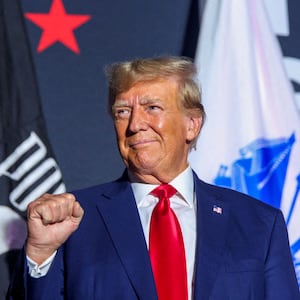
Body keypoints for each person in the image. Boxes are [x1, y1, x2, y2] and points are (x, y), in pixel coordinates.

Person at [7, 56, 300, 300]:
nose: (135, 125)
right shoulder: (73, 221)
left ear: (192, 125)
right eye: (122, 112)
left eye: (152, 108)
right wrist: (40, 255)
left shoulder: (259, 223)